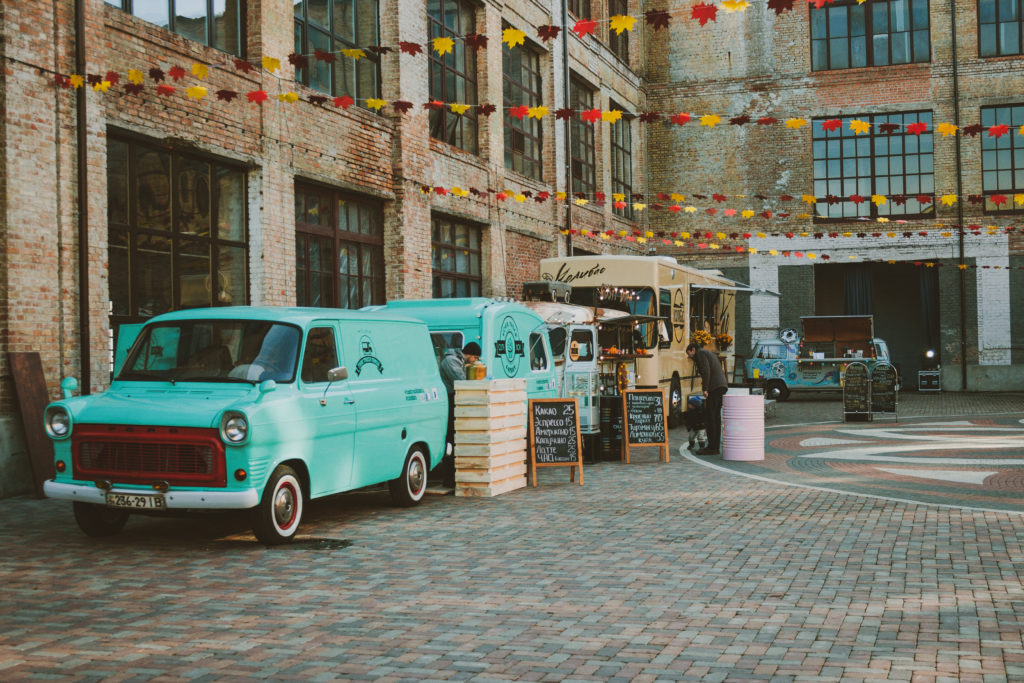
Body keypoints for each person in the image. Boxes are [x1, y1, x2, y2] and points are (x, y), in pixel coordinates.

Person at [438, 342, 481, 487]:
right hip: (449, 401)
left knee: (455, 436)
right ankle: (448, 479)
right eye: (475, 357)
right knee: (450, 437)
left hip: (454, 400)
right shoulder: (451, 361)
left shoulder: (459, 361)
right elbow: (461, 381)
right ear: (469, 354)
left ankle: (454, 476)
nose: (475, 361)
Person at [686, 342, 728, 455]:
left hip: (714, 387)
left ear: (693, 349)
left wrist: (705, 388)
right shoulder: (706, 352)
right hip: (721, 386)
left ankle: (712, 448)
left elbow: (706, 370)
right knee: (715, 417)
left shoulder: (700, 354)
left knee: (710, 417)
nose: (689, 357)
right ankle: (714, 446)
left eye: (689, 354)